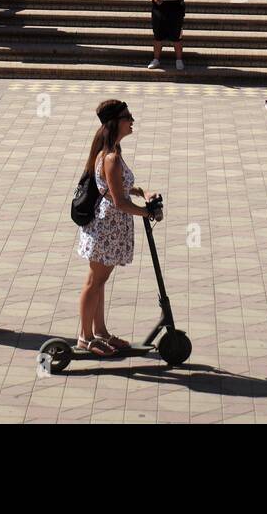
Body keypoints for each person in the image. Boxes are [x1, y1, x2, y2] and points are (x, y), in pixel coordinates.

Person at [75, 100, 162, 357]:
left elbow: (121, 188)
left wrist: (142, 191)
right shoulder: (110, 157)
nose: (132, 120)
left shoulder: (113, 150)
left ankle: (100, 332)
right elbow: (119, 201)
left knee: (99, 282)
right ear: (116, 122)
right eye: (128, 117)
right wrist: (146, 212)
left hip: (110, 229)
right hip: (106, 229)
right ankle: (85, 337)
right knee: (94, 282)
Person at [147, 0, 191, 71]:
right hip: (159, 9)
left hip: (176, 9)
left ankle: (179, 60)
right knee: (158, 36)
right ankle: (156, 59)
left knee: (177, 37)